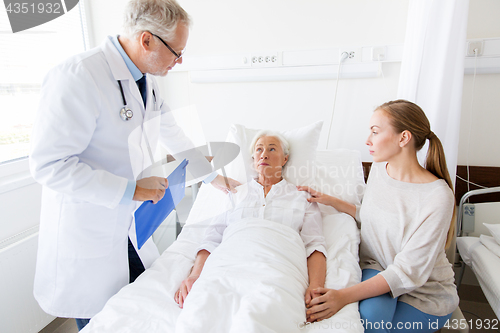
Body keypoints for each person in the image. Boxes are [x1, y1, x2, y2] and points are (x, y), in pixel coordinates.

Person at [29, 0, 238, 330]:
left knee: (134, 314)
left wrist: (213, 178)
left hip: (128, 227)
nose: (179, 60)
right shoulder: (79, 76)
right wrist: (131, 189)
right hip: (89, 231)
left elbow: (174, 134)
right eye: (176, 51)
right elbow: (49, 165)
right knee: (103, 323)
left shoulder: (146, 80)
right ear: (147, 40)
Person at [299, 100, 458, 332]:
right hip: (380, 267)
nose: (367, 140)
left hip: (424, 294)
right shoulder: (380, 169)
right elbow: (374, 218)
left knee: (377, 328)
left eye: (375, 131)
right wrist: (331, 200)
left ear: (403, 138)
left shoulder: (437, 196)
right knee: (371, 319)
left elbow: (408, 271)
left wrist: (341, 296)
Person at [174, 132, 327, 316]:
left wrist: (316, 285)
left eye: (272, 149)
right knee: (204, 312)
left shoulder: (302, 197)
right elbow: (212, 239)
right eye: (259, 149)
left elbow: (314, 245)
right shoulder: (236, 193)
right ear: (254, 159)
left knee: (265, 314)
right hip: (228, 268)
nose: (264, 154)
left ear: (285, 158)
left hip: (277, 272)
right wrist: (195, 275)